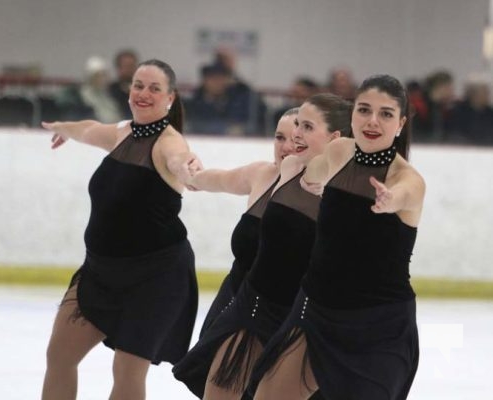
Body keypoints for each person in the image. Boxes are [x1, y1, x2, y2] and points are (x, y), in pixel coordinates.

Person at [251, 74, 426, 400]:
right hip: (316, 311)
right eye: (364, 110)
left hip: (377, 326)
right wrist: (309, 179)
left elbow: (405, 194)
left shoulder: (408, 179)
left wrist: (390, 199)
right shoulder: (340, 151)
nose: (372, 121)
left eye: (386, 114)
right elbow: (315, 169)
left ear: (401, 123)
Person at [40, 59, 202, 400]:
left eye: (154, 88)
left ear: (170, 98)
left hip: (155, 278)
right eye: (138, 85)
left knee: (127, 371)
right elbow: (88, 128)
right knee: (59, 356)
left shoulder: (169, 143)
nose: (144, 94)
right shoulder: (121, 133)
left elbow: (179, 160)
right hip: (100, 272)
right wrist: (64, 127)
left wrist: (189, 170)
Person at [173, 93, 352, 400]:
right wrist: (190, 173)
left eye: (304, 128)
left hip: (301, 320)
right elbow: (216, 179)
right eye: (281, 135)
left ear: (334, 138)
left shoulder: (341, 196)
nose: (289, 141)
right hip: (245, 306)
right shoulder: (267, 174)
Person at [187, 107, 298, 338]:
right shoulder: (261, 174)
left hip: (281, 309)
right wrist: (193, 177)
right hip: (235, 295)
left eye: (295, 139)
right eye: (279, 138)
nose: (285, 147)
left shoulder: (321, 192)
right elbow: (221, 179)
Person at [109, 49, 140, 120]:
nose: (130, 70)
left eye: (132, 66)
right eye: (127, 66)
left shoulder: (144, 89)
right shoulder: (111, 90)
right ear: (119, 68)